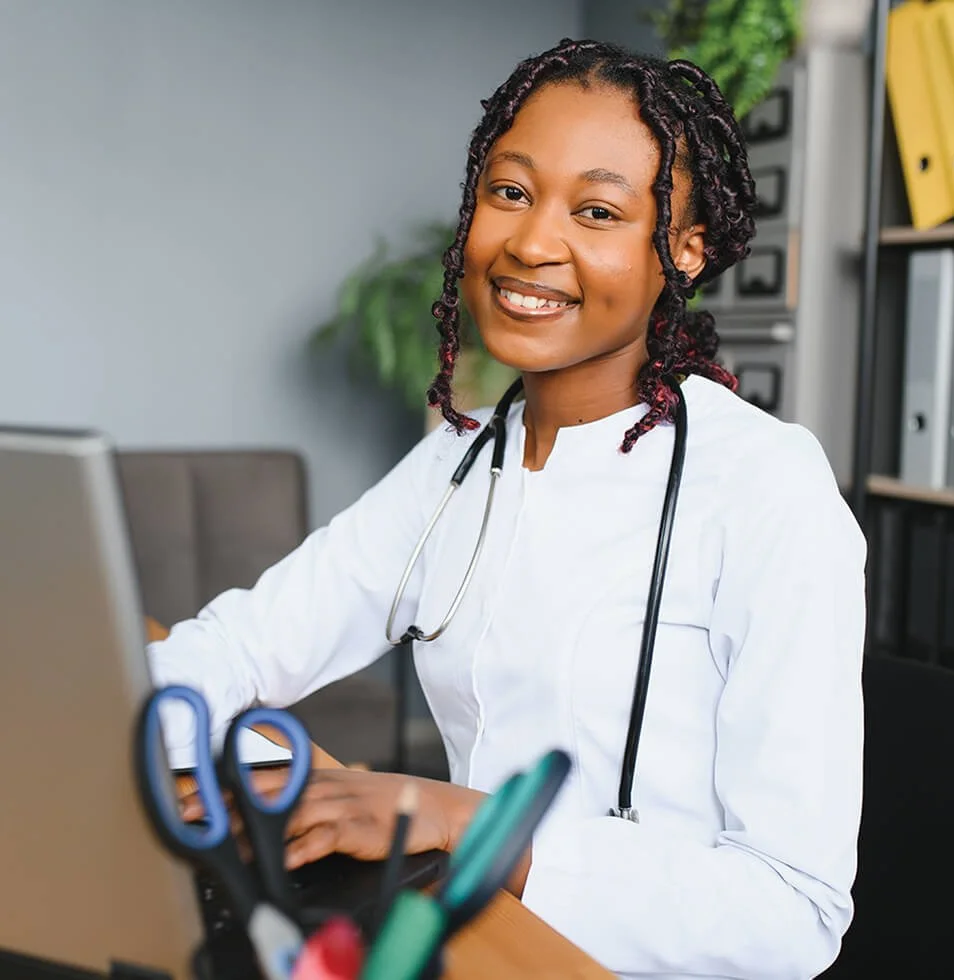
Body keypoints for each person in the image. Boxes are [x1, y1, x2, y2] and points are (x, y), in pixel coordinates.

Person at [153, 38, 867, 980]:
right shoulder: (458, 459)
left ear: (684, 253)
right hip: (479, 935)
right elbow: (246, 645)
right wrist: (131, 730)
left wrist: (463, 819)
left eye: (599, 211)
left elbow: (794, 913)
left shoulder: (768, 487)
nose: (530, 243)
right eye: (511, 192)